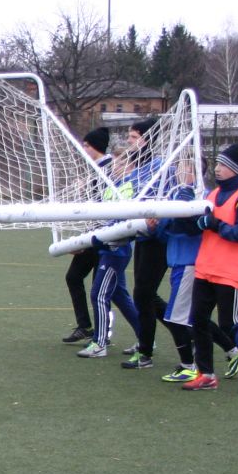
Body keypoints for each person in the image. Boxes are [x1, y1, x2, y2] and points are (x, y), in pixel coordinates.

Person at [183, 143, 238, 394]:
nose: (218, 169)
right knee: (197, 321)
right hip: (205, 269)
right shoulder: (212, 196)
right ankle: (206, 374)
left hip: (229, 273)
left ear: (235, 169)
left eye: (223, 165)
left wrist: (214, 224)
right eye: (218, 164)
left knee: (229, 324)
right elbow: (203, 225)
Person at [76, 132, 142, 359]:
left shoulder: (130, 188)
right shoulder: (111, 187)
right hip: (105, 247)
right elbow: (100, 218)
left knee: (98, 294)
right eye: (114, 162)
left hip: (117, 249)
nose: (115, 167)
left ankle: (100, 342)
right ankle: (146, 339)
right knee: (119, 296)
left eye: (120, 163)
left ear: (131, 166)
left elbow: (122, 222)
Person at [145, 160, 204, 382]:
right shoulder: (177, 196)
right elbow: (165, 234)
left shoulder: (194, 197)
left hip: (190, 263)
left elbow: (191, 227)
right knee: (187, 317)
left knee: (176, 318)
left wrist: (171, 214)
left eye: (183, 168)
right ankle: (227, 351)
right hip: (178, 263)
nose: (177, 172)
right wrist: (155, 226)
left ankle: (189, 365)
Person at [119, 120, 171, 369]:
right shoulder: (137, 168)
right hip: (141, 237)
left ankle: (146, 352)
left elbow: (172, 197)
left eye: (133, 137)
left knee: (143, 294)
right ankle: (187, 333)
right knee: (145, 295)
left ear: (147, 139)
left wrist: (158, 219)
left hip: (158, 239)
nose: (129, 141)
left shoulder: (161, 167)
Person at [60, 127, 110, 343]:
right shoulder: (94, 170)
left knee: (106, 291)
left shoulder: (109, 169)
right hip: (93, 235)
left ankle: (106, 333)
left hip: (107, 237)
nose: (84, 149)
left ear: (96, 147)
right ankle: (85, 326)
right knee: (74, 277)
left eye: (87, 145)